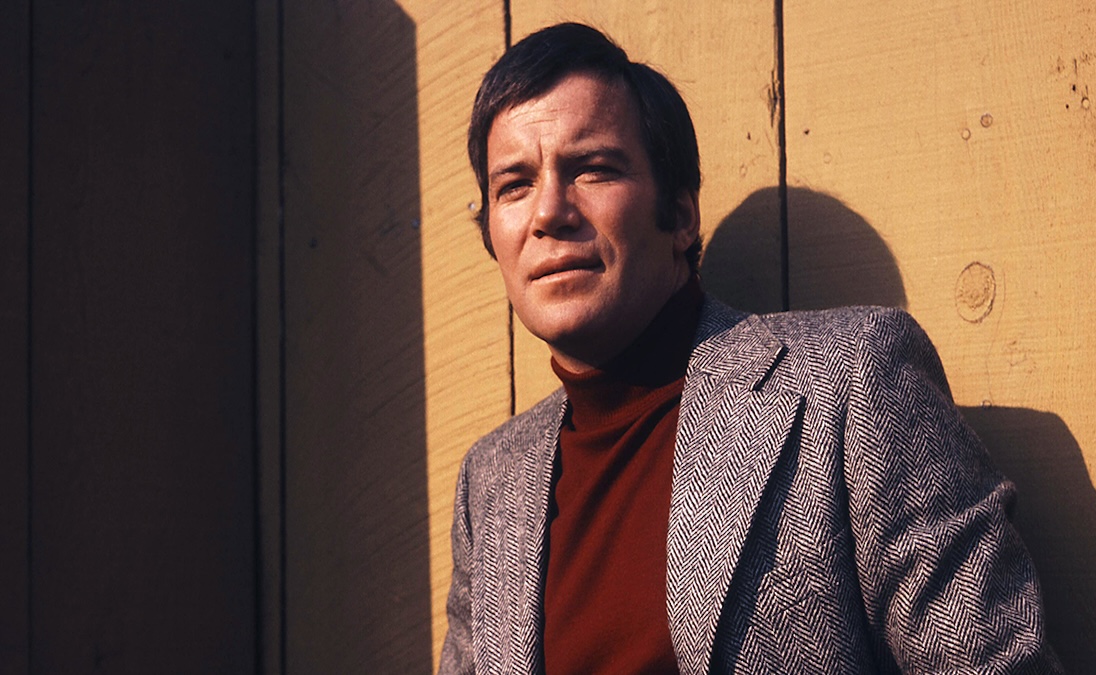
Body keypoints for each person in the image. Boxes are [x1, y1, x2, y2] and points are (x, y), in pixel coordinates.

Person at [439, 22, 1061, 674]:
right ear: (492, 235)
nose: (549, 212)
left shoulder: (853, 381)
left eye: (592, 169)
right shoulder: (490, 483)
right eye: (514, 184)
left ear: (681, 216)